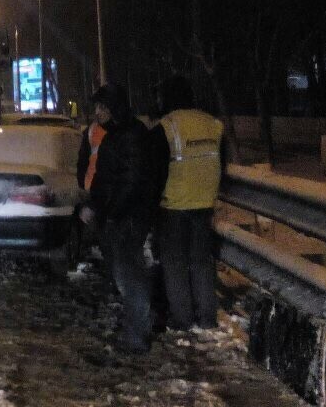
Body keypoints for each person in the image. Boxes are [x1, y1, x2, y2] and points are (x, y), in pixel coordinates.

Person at [80, 83, 160, 354]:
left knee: (130, 275)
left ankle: (137, 337)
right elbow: (105, 178)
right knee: (123, 273)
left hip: (129, 216)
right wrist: (96, 206)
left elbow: (131, 180)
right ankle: (136, 328)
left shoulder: (130, 135)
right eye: (96, 107)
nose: (97, 112)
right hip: (118, 214)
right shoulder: (115, 135)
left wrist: (112, 212)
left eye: (102, 107)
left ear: (114, 108)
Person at [150, 74, 225, 330]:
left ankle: (182, 319)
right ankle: (207, 318)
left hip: (173, 205)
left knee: (175, 264)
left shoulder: (166, 126)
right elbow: (221, 163)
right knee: (202, 263)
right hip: (204, 204)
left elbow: (157, 171)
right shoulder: (213, 124)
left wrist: (152, 207)